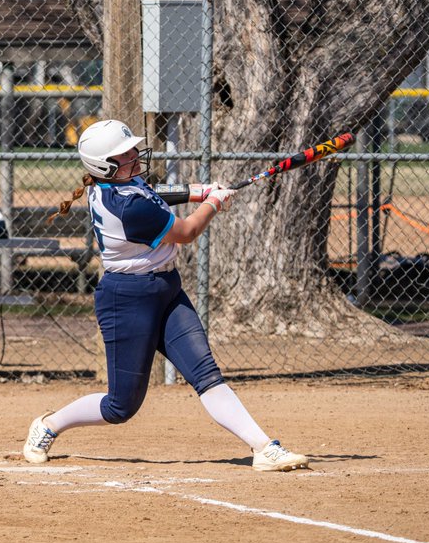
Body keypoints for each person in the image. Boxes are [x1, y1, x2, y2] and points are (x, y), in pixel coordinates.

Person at [22, 119, 310, 472]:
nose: (134, 156)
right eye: (124, 154)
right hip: (126, 301)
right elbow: (186, 231)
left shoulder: (123, 184)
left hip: (166, 291)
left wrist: (198, 191)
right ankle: (49, 425)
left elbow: (153, 191)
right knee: (120, 407)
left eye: (130, 150)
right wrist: (214, 203)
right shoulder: (127, 208)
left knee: (206, 374)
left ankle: (264, 447)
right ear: (103, 166)